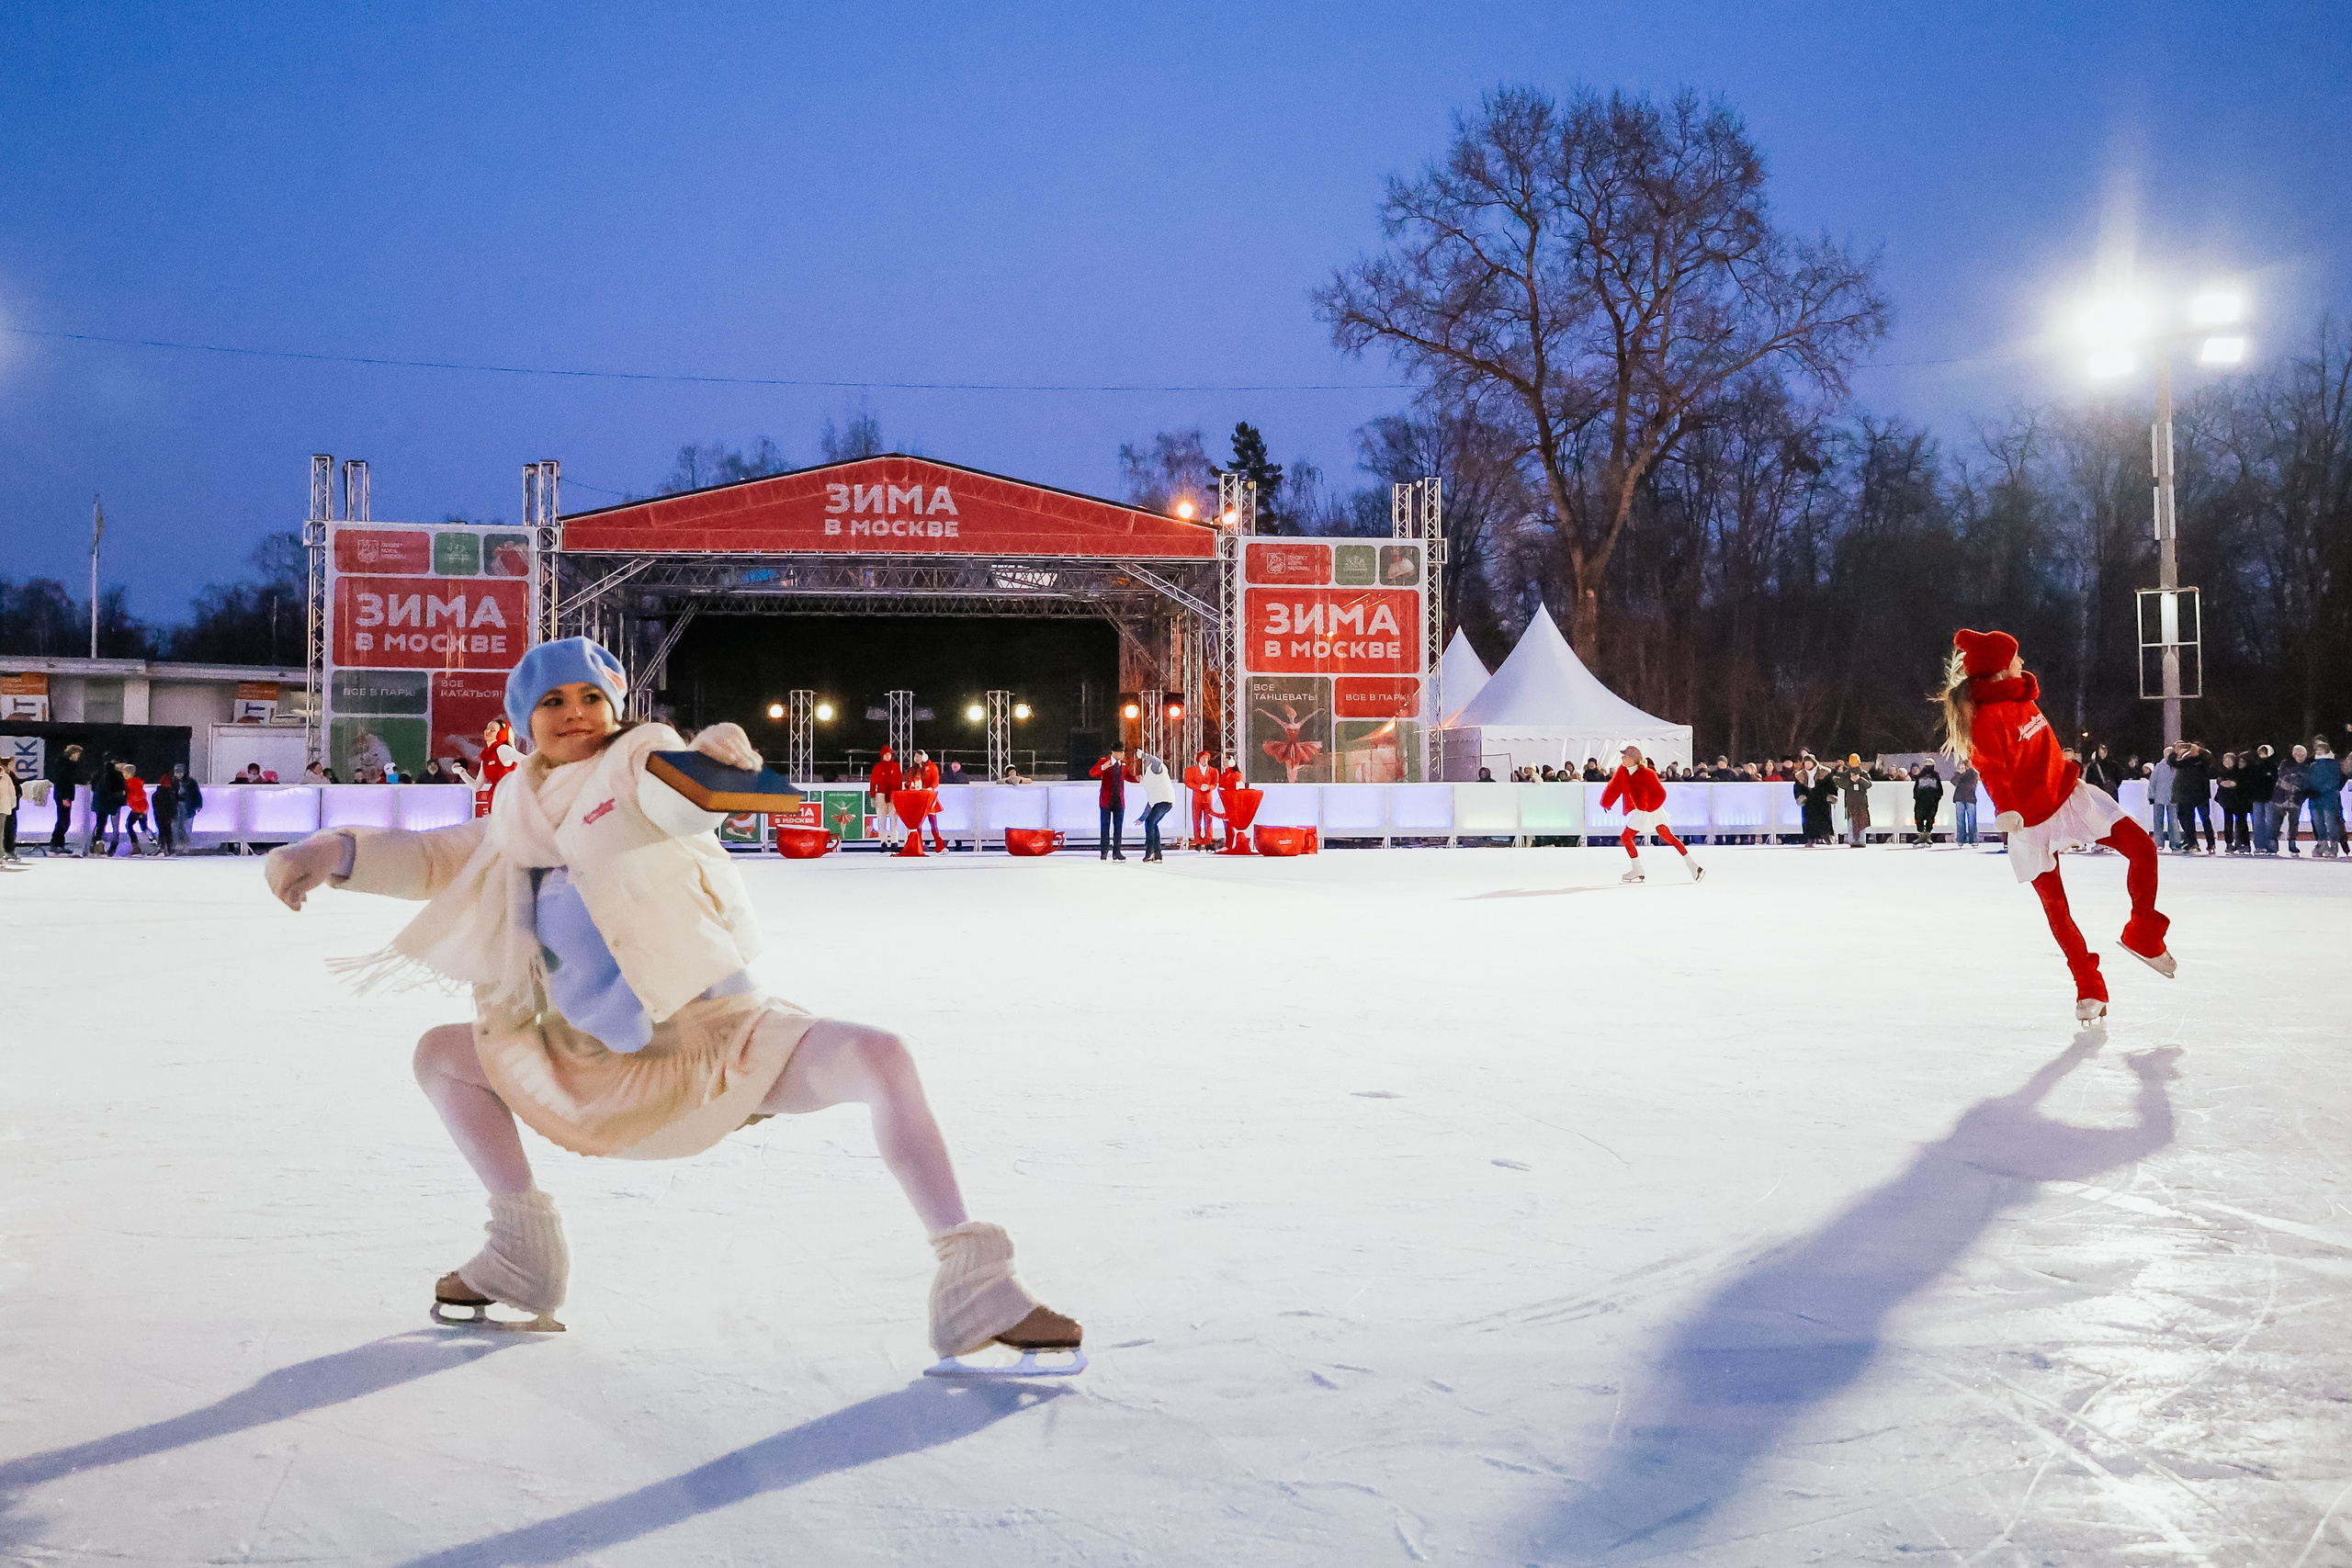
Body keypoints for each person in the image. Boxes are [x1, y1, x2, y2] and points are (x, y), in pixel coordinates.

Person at [260, 637, 1080, 1367]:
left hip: (711, 1040)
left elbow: (678, 796)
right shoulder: (516, 813)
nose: (575, 714)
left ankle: (976, 1285)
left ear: (617, 709)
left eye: (591, 697)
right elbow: (436, 857)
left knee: (881, 1057)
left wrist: (715, 769)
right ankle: (519, 1250)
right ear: (523, 722)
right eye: (552, 701)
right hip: (588, 1061)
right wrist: (333, 850)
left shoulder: (638, 762)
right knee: (442, 1055)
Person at [1942, 628, 2173, 1024]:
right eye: (2015, 657)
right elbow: (1991, 766)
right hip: (2030, 820)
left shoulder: (2022, 698)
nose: (2022, 662)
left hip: (2068, 795)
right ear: (2000, 668)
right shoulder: (1987, 717)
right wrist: (2006, 807)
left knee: (2143, 848)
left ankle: (2144, 932)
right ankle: (2088, 984)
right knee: (2057, 907)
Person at [1601, 744, 1702, 884]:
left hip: (1652, 811)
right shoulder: (1623, 771)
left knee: (1663, 837)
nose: (1622, 758)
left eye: (1625, 756)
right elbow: (1615, 786)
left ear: (1632, 759)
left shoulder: (1647, 773)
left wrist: (1649, 807)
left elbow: (1661, 793)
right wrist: (1606, 802)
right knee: (1629, 837)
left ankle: (1692, 865)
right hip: (1641, 812)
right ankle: (1691, 866)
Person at [2172, 742, 2215, 854]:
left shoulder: (2203, 761)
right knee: (2188, 820)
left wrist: (2198, 749)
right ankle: (2192, 842)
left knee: (2205, 818)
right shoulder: (2185, 762)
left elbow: (2209, 758)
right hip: (2188, 795)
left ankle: (2211, 843)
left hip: (2201, 794)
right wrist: (2175, 752)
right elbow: (2174, 763)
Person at [1090, 749, 1132, 862]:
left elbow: (1126, 776)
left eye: (1123, 753)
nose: (1122, 755)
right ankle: (1104, 851)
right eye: (1120, 753)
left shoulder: (1124, 763)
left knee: (1118, 828)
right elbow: (1093, 772)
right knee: (1105, 826)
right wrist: (1103, 767)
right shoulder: (1104, 761)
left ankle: (1117, 852)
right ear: (1114, 752)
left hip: (1119, 800)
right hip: (1106, 800)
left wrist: (1136, 779)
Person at [2306, 739, 2345, 859]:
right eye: (2317, 749)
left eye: (2321, 750)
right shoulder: (2312, 765)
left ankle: (2333, 845)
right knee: (2318, 823)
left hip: (2328, 798)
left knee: (2330, 823)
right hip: (2315, 800)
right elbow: (2308, 780)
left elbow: (2334, 781)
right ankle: (2322, 844)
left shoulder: (2334, 765)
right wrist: (2309, 790)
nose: (2318, 752)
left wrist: (2320, 790)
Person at [1136, 753, 1177, 862]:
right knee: (1152, 823)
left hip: (1165, 800)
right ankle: (1157, 854)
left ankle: (1150, 852)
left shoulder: (1155, 768)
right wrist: (1142, 817)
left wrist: (1144, 755)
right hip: (1163, 801)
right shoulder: (1149, 778)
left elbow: (1157, 761)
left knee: (1150, 822)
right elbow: (1151, 801)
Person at [46, 742, 85, 856]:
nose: (78, 757)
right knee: (64, 820)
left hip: (63, 795)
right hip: (63, 796)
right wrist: (65, 797)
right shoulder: (65, 765)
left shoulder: (63, 764)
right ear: (72, 754)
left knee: (64, 820)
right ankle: (56, 844)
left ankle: (58, 844)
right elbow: (63, 781)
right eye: (77, 754)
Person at [1791, 751, 1836, 846]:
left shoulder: (1824, 772)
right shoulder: (1800, 775)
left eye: (1809, 763)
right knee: (1808, 820)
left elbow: (1831, 786)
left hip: (1822, 800)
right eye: (1806, 763)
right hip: (1809, 801)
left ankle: (1826, 836)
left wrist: (1831, 795)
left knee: (1824, 819)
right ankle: (1811, 839)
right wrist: (1800, 796)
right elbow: (1797, 788)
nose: (1807, 765)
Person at [867, 745, 905, 850]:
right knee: (881, 819)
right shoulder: (878, 767)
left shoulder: (895, 766)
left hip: (893, 795)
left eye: (889, 754)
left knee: (894, 819)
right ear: (882, 755)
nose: (887, 756)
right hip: (881, 794)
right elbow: (873, 782)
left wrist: (899, 794)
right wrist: (872, 795)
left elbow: (899, 781)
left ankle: (894, 842)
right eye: (886, 754)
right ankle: (883, 841)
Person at [91, 757, 130, 858]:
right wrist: (120, 795)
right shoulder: (115, 775)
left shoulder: (100, 772)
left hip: (101, 802)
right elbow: (119, 788)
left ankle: (96, 845)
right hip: (111, 802)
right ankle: (109, 847)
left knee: (100, 823)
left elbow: (94, 785)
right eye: (122, 765)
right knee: (112, 825)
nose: (123, 768)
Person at [2246, 744, 2280, 853]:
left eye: (2264, 752)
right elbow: (2251, 781)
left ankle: (2271, 844)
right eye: (2260, 752)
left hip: (2270, 797)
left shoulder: (2273, 766)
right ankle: (2259, 844)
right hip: (2257, 797)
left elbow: (2275, 781)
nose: (2262, 755)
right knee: (2257, 822)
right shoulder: (2255, 766)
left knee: (2270, 822)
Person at [1182, 750, 1219, 851]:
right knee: (1196, 819)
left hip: (1208, 798)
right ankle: (1198, 840)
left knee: (1209, 820)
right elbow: (1188, 782)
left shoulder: (1212, 771)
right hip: (1197, 798)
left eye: (1207, 758)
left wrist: (1209, 787)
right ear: (1199, 759)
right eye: (1203, 758)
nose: (1205, 760)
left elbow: (1215, 783)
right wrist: (1199, 787)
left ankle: (1208, 840)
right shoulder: (1192, 770)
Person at [910, 750, 945, 852]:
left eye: (919, 756)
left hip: (929, 797)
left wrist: (931, 788)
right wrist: (910, 786)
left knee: (933, 823)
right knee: (917, 824)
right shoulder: (914, 769)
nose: (917, 758)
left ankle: (940, 845)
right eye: (916, 756)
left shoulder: (932, 767)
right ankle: (918, 845)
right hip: (918, 798)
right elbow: (909, 781)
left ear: (924, 757)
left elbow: (935, 780)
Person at [1835, 752, 1873, 848]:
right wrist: (1851, 780)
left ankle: (1861, 840)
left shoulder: (1864, 773)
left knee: (1862, 823)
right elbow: (1842, 785)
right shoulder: (1845, 775)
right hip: (1850, 803)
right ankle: (1852, 840)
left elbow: (1869, 784)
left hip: (1861, 803)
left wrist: (1859, 779)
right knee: (1851, 823)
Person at [2216, 751, 2251, 853]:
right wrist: (2223, 783)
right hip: (2226, 801)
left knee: (2241, 822)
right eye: (2225, 761)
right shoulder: (2221, 771)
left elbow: (2241, 782)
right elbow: (2220, 781)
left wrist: (2233, 783)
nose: (2227, 763)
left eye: (2229, 760)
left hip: (2239, 801)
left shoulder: (2239, 771)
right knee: (2228, 822)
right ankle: (2229, 843)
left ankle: (2243, 843)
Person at [2148, 747, 2178, 851]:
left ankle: (2175, 842)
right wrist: (2151, 795)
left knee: (2173, 820)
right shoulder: (2159, 766)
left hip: (2173, 797)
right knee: (2158, 820)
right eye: (2166, 752)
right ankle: (2158, 842)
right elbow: (2153, 781)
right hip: (2159, 797)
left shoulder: (2176, 766)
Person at [1910, 760, 1944, 845]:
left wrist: (1936, 798)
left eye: (1930, 764)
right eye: (1927, 764)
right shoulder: (1920, 775)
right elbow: (1916, 787)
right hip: (1921, 802)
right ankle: (1921, 835)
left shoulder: (1936, 775)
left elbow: (1940, 789)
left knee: (1930, 818)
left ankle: (1928, 835)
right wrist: (1917, 797)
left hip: (1932, 802)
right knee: (1919, 818)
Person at [1952, 759, 1981, 845]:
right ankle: (1961, 839)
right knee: (1960, 820)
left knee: (1972, 820)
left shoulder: (1973, 773)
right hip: (1959, 798)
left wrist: (1966, 773)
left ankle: (1973, 839)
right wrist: (1959, 773)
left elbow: (1973, 783)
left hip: (1970, 798)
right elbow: (1953, 782)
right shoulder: (1959, 773)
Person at [0, 755, 20, 867]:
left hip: (4, 808)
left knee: (3, 832)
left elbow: (12, 793)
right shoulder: (7, 777)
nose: (14, 767)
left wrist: (11, 806)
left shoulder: (7, 777)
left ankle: (3, 853)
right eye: (12, 764)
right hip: (6, 807)